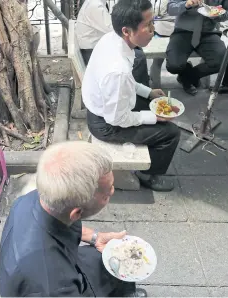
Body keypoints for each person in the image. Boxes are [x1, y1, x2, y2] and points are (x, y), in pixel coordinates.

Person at [0, 141, 147, 297]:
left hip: (61, 261)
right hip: (50, 281)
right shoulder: (54, 285)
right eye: (107, 193)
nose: (113, 190)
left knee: (116, 258)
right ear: (76, 214)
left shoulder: (33, 199)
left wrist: (95, 237)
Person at [82, 0, 180, 192]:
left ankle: (149, 155)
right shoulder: (117, 71)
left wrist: (148, 92)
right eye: (148, 25)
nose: (153, 29)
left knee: (152, 102)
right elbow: (117, 118)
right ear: (126, 31)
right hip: (106, 125)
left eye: (153, 22)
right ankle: (149, 175)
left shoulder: (111, 38)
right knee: (171, 133)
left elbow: (128, 84)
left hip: (103, 107)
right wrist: (153, 117)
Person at [166, 0, 228, 95]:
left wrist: (216, 15)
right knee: (173, 66)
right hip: (183, 31)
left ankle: (187, 78)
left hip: (208, 32)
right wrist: (186, 5)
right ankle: (187, 72)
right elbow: (170, 9)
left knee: (222, 62)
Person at [75, 0, 150, 86]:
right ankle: (138, 94)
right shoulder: (95, 5)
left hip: (96, 48)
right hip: (91, 53)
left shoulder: (96, 3)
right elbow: (114, 29)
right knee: (138, 57)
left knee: (136, 49)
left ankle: (138, 88)